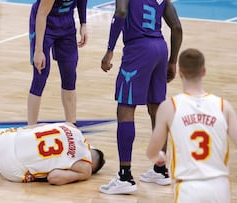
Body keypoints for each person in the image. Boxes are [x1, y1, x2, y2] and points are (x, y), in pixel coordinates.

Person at [99, 0, 183, 195]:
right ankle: (160, 170)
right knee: (156, 110)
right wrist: (172, 61)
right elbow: (177, 27)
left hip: (138, 49)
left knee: (125, 109)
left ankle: (125, 176)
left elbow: (120, 12)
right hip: (160, 48)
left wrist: (109, 50)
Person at [146, 48, 237, 203]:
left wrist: (158, 157)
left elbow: (152, 150)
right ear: (204, 71)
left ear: (180, 73)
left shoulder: (169, 107)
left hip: (189, 187)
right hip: (219, 186)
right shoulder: (223, 106)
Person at [28, 0, 88, 126]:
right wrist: (38, 50)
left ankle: (72, 127)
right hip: (44, 23)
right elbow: (42, 14)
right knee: (40, 75)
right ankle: (31, 127)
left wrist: (83, 24)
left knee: (70, 75)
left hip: (66, 24)